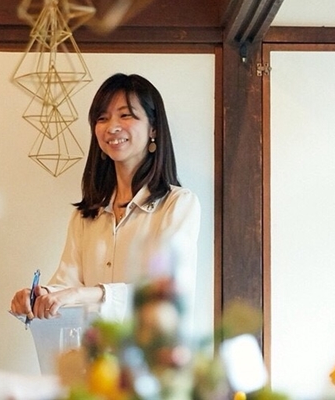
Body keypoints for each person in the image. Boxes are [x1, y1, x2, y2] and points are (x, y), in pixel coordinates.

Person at [11, 73, 201, 323]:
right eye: (102, 118)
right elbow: (68, 285)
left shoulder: (178, 205)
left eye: (126, 115)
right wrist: (40, 295)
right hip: (91, 348)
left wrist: (89, 293)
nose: (112, 127)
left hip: (151, 348)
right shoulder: (85, 214)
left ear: (153, 128)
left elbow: (164, 293)